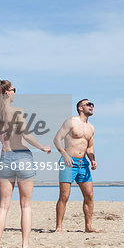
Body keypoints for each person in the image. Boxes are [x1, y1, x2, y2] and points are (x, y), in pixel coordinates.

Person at [0, 77, 51, 248]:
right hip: (22, 157)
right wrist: (42, 147)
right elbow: (27, 135)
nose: (14, 93)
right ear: (7, 92)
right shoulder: (17, 111)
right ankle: (24, 246)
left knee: (3, 206)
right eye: (14, 89)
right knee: (26, 205)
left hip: (5, 157)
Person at [54, 99, 98, 233]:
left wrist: (92, 160)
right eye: (88, 104)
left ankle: (88, 226)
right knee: (64, 195)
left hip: (83, 163)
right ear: (80, 108)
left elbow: (89, 147)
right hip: (68, 161)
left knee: (89, 195)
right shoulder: (71, 122)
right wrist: (65, 154)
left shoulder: (91, 128)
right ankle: (59, 227)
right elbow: (57, 139)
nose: (91, 106)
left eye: (92, 105)